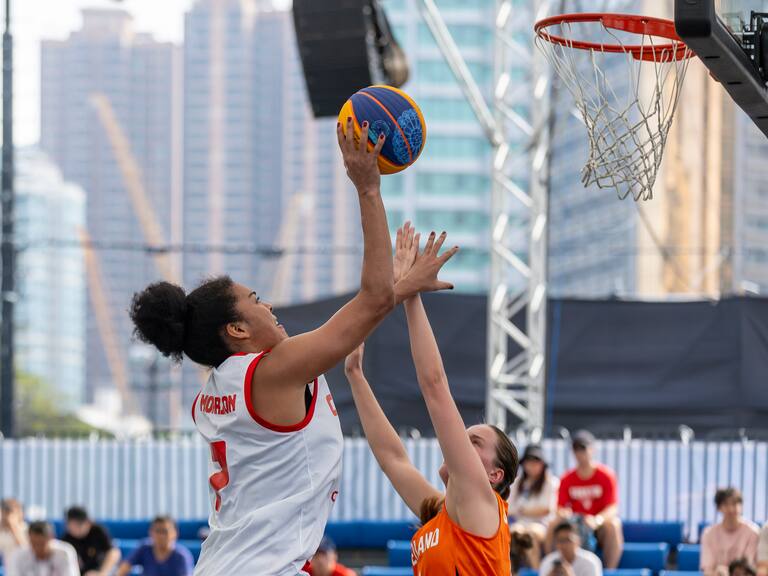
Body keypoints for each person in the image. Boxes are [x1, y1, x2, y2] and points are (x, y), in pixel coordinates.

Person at [129, 121, 452, 575]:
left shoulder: (226, 385)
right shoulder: (272, 371)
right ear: (238, 329)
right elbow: (371, 301)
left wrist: (395, 288)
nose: (270, 304)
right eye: (257, 300)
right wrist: (368, 188)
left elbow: (368, 307)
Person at [344, 222, 518, 576]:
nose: (459, 442)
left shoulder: (481, 504)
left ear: (494, 474)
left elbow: (435, 387)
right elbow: (394, 459)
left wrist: (411, 295)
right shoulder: (442, 512)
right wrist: (355, 375)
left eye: (473, 442)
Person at [548, 431, 623, 569]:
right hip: (575, 527)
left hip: (598, 527)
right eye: (576, 448)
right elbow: (560, 508)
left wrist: (597, 520)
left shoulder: (606, 475)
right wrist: (567, 515)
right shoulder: (567, 478)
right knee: (553, 524)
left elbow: (612, 507)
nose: (579, 453)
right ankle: (553, 567)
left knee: (613, 525)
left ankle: (610, 571)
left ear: (592, 449)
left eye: (583, 448)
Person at [509, 444, 560, 568]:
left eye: (536, 461)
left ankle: (536, 570)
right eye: (529, 461)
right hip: (520, 524)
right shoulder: (517, 483)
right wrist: (525, 511)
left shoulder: (551, 483)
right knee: (513, 533)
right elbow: (509, 509)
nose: (532, 465)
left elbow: (547, 509)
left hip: (543, 526)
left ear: (543, 464)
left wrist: (522, 510)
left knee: (529, 534)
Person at [700, 488, 759, 576]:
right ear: (719, 508)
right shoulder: (708, 534)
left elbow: (748, 567)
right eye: (726, 504)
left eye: (735, 503)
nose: (731, 508)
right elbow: (707, 570)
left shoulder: (753, 532)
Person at [116, 516, 194, 576]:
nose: (161, 536)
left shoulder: (181, 556)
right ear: (150, 532)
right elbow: (123, 568)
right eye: (157, 531)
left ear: (175, 533)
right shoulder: (144, 548)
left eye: (165, 531)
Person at [61, 506, 120, 576]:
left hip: (101, 569)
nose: (71, 528)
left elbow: (114, 552)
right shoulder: (67, 538)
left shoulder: (98, 532)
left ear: (87, 522)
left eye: (76, 525)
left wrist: (102, 573)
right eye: (69, 525)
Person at [6, 521, 79, 576]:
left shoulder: (65, 553)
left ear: (52, 538)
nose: (38, 548)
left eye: (42, 544)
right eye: (34, 544)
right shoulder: (18, 555)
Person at [0, 499, 28, 563]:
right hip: (10, 570)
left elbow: (25, 549)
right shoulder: (3, 532)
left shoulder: (26, 529)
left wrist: (13, 527)